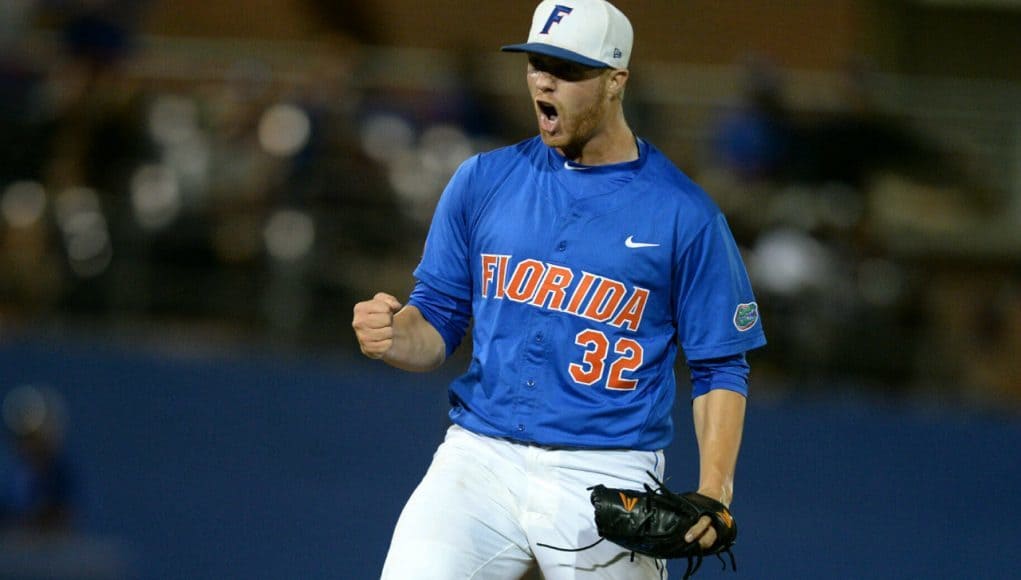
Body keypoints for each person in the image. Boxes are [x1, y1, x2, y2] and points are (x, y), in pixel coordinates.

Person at [351, 1, 766, 578]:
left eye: (568, 69)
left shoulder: (683, 214)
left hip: (609, 472)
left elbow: (720, 364)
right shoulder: (483, 180)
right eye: (537, 63)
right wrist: (392, 336)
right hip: (480, 456)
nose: (544, 79)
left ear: (616, 81)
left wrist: (715, 490)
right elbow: (438, 322)